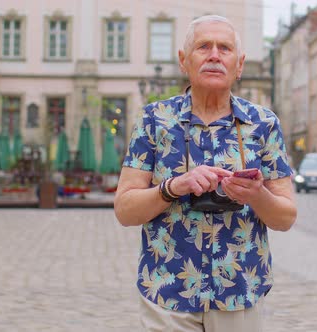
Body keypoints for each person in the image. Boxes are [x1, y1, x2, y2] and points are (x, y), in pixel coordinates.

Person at [114, 15, 296, 332]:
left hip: (239, 292)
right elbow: (125, 209)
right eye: (203, 46)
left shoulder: (263, 124)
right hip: (167, 292)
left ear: (239, 65)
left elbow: (285, 217)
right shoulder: (155, 119)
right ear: (184, 61)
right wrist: (174, 187)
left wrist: (257, 195)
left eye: (224, 48)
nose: (214, 55)